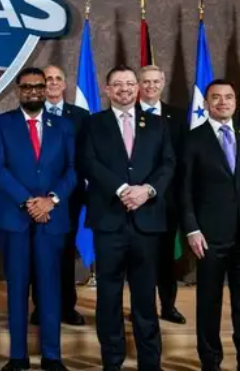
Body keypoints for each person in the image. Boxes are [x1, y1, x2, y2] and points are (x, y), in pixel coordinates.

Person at [77, 64, 174, 371]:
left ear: (138, 87)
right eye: (117, 84)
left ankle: (150, 364)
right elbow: (87, 162)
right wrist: (121, 189)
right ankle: (112, 362)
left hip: (147, 221)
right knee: (109, 297)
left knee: (145, 297)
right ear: (108, 90)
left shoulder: (157, 124)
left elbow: (168, 164)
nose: (125, 89)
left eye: (130, 84)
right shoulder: (93, 124)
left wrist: (147, 190)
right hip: (109, 222)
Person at [0, 68, 77, 371]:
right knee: (16, 288)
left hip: (51, 218)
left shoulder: (63, 126)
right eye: (27, 87)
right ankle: (18, 356)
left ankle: (52, 356)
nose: (34, 91)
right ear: (18, 90)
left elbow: (72, 169)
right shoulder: (1, 124)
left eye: (39, 86)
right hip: (15, 218)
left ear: (47, 89)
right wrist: (28, 202)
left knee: (50, 288)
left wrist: (51, 200)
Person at [180, 80, 240, 371]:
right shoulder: (192, 139)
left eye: (229, 97)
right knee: (209, 302)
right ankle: (210, 362)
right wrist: (192, 229)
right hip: (209, 236)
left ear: (235, 101)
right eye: (216, 97)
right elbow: (184, 190)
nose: (223, 102)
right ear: (206, 103)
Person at [26, 65, 88, 327]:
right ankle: (41, 306)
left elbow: (84, 159)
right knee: (38, 254)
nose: (52, 83)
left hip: (68, 198)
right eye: (47, 79)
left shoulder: (81, 116)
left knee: (64, 254)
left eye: (57, 79)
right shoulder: (29, 113)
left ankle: (67, 307)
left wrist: (60, 195)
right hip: (35, 199)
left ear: (64, 84)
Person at [138, 64, 189, 325]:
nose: (151, 86)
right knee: (140, 259)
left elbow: (182, 160)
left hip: (167, 200)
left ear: (163, 82)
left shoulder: (177, 116)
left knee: (166, 257)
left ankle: (168, 306)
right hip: (135, 199)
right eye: (146, 81)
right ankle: (142, 308)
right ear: (139, 84)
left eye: (155, 81)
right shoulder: (128, 113)